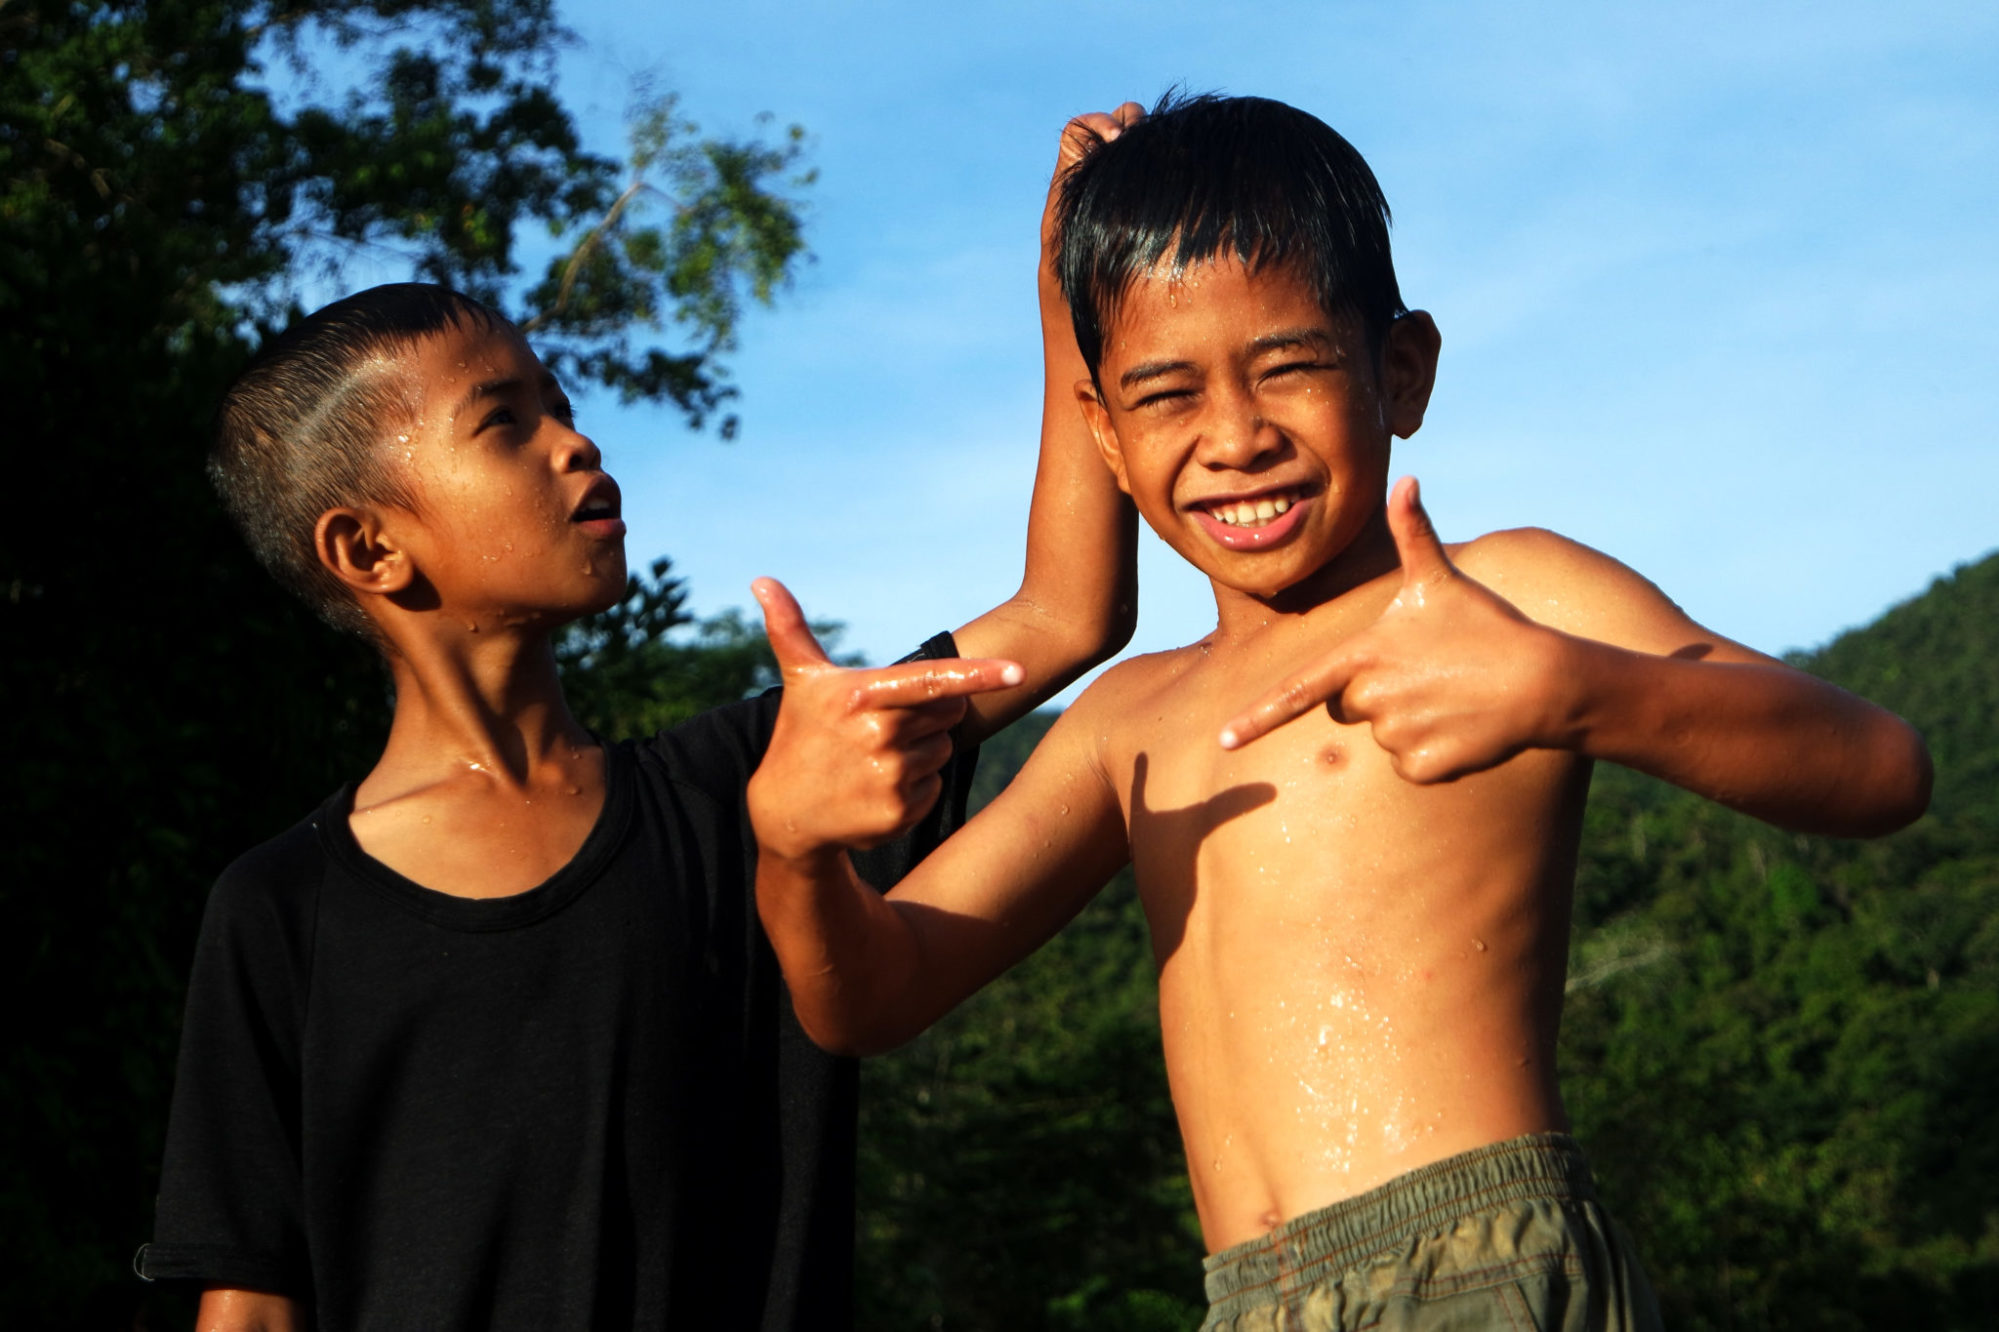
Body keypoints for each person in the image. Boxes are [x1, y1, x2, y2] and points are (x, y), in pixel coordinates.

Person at [746, 93, 1933, 1331]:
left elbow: (1880, 767)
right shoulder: (1125, 722)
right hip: (1245, 1306)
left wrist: (1581, 688)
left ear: (1401, 370)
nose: (1235, 438)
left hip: (1486, 1271)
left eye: (1289, 368)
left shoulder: (1501, 600)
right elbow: (871, 994)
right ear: (1102, 433)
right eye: (1166, 397)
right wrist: (794, 853)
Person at [137, 108, 1145, 1332]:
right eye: (505, 422)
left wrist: (1073, 301)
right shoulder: (280, 912)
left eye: (559, 405)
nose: (576, 442)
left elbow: (1063, 612)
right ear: (369, 547)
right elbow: (247, 1309)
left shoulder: (750, 795)